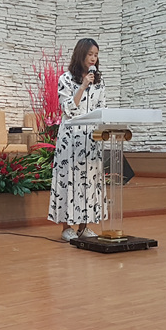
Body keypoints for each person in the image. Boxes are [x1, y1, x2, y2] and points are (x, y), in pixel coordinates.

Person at [48, 38, 106, 242]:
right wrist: (82, 86)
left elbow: (102, 108)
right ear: (81, 54)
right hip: (71, 139)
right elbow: (68, 109)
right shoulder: (65, 79)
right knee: (69, 180)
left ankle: (84, 226)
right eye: (90, 54)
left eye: (96, 55)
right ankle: (67, 227)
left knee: (89, 181)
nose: (93, 58)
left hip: (91, 139)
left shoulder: (99, 81)